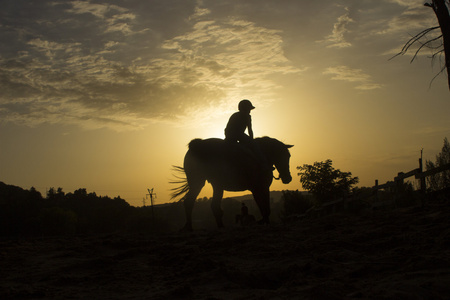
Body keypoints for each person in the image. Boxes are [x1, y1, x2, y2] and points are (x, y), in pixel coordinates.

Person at [224, 99, 272, 171]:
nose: (249, 111)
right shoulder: (245, 116)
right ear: (245, 108)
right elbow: (249, 130)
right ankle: (264, 163)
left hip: (232, 134)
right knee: (255, 146)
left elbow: (248, 129)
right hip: (237, 134)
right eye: (249, 109)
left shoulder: (238, 115)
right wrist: (252, 141)